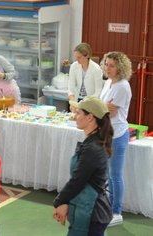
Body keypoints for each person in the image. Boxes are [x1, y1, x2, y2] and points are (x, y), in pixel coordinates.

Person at [53, 96, 113, 236]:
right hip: (92, 211)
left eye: (78, 113)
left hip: (92, 213)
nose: (75, 117)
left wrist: (59, 202)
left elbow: (77, 181)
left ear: (90, 117)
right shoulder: (94, 142)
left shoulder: (92, 148)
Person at [99, 51, 132, 227]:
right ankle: (110, 207)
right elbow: (102, 107)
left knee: (115, 175)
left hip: (118, 135)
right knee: (109, 176)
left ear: (120, 67)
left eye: (112, 65)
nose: (108, 68)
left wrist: (100, 107)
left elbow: (109, 112)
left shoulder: (122, 86)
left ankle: (117, 212)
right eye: (106, 65)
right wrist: (102, 106)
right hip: (107, 134)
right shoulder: (108, 83)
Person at [68, 43, 103, 110]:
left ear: (87, 55)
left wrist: (87, 102)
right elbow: (71, 87)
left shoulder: (96, 69)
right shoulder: (74, 66)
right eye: (76, 57)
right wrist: (72, 102)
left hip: (91, 102)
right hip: (77, 100)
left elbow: (98, 91)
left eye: (79, 57)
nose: (77, 59)